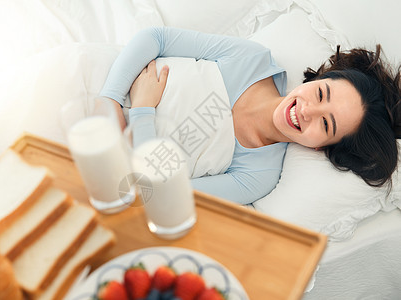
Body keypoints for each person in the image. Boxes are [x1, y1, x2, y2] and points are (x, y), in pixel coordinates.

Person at [100, 27, 401, 205]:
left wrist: (143, 110)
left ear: (324, 146)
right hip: (98, 78)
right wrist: (111, 98)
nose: (307, 111)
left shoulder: (258, 176)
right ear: (318, 79)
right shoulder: (252, 60)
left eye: (325, 124)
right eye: (321, 94)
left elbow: (160, 195)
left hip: (104, 165)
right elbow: (156, 38)